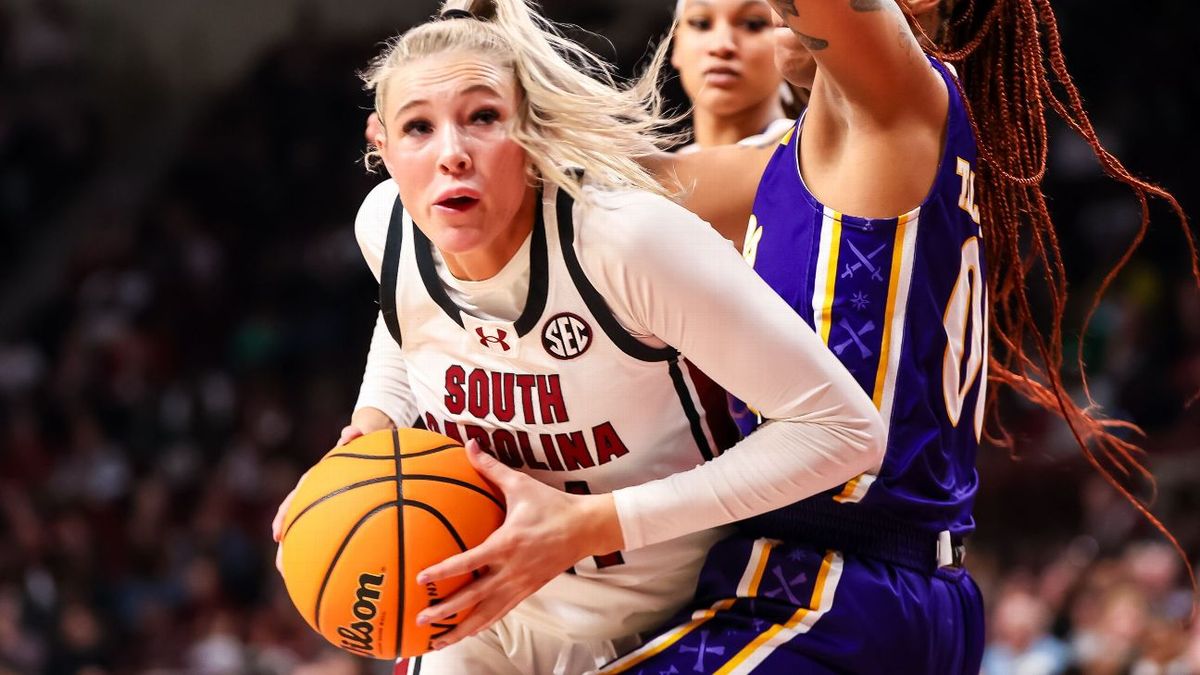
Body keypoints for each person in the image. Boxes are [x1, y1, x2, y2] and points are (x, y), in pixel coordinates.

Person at [273, 0, 887, 673]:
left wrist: (596, 523)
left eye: (483, 118)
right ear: (381, 145)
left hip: (664, 621)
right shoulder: (387, 226)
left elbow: (846, 430)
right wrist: (373, 422)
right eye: (418, 127)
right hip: (482, 614)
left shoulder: (623, 242)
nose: (452, 154)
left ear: (530, 128)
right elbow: (409, 318)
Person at [599, 0, 1198, 673]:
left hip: (843, 586)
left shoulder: (900, 98)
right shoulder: (795, 157)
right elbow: (599, 187)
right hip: (868, 582)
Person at [669, 0, 795, 153]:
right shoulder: (658, 166)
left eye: (752, 24)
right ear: (676, 44)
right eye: (701, 24)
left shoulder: (806, 157)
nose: (721, 46)